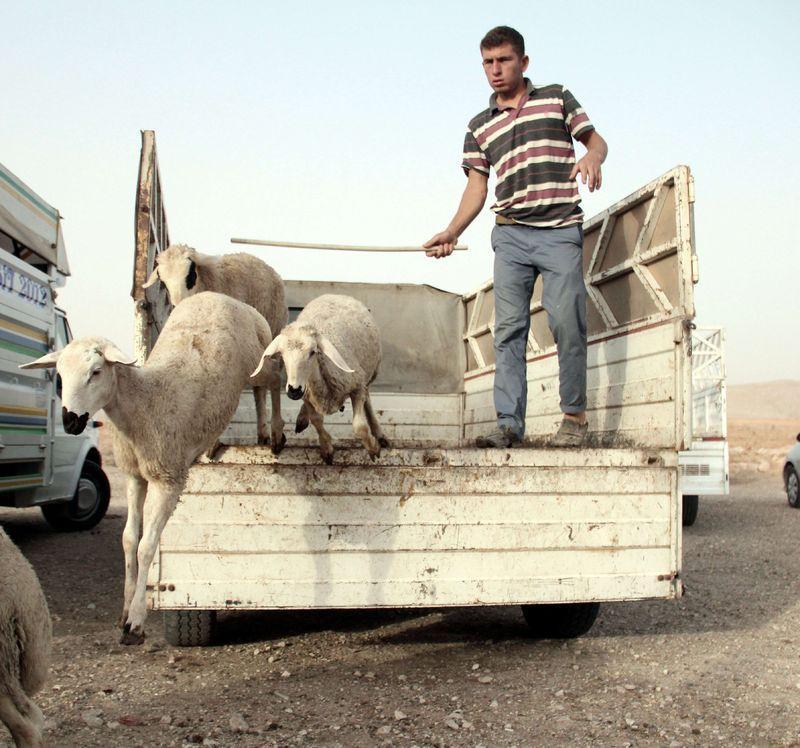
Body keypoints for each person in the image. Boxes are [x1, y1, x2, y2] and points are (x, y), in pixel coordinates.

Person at [424, 25, 608, 448]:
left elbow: (596, 141)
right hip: (510, 236)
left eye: (504, 60)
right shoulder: (478, 127)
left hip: (560, 230)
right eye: (488, 62)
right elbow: (476, 187)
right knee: (507, 330)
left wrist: (591, 157)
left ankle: (574, 419)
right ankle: (509, 424)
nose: (495, 70)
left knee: (566, 321)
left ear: (523, 62)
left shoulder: (557, 98)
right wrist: (451, 231)